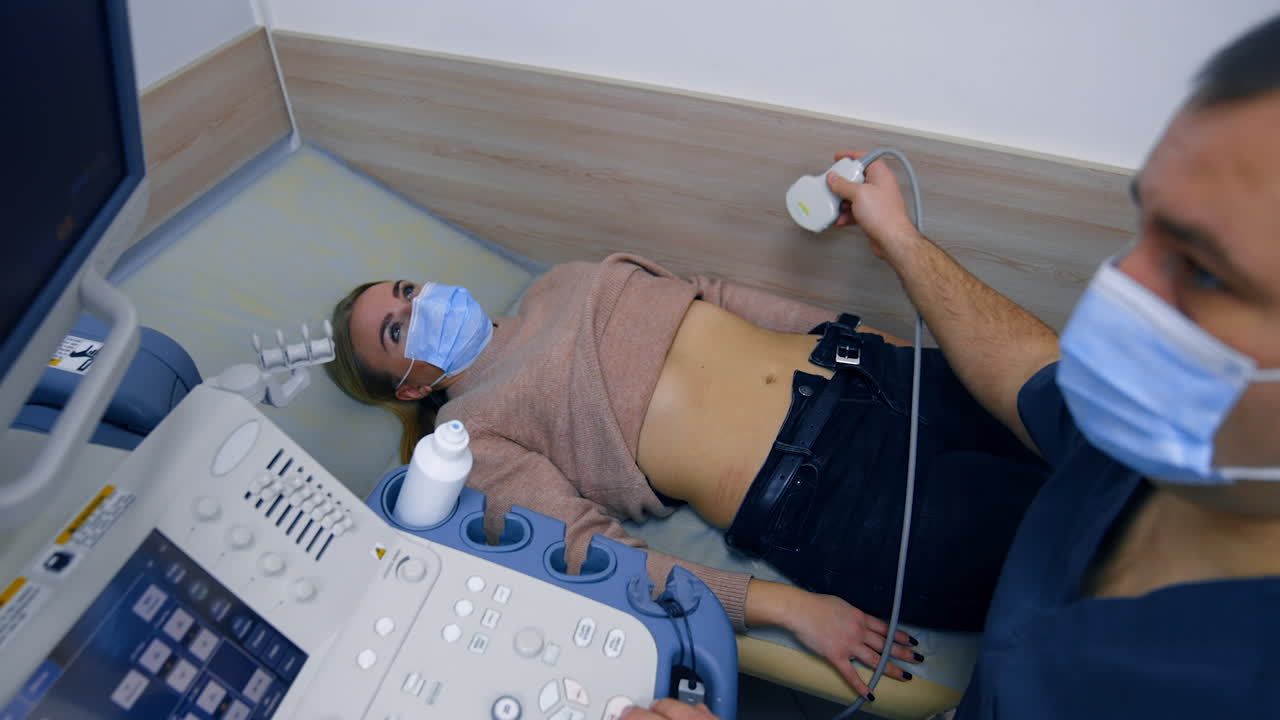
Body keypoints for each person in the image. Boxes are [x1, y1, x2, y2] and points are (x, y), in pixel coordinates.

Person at [624, 12, 1280, 720]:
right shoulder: (1151, 440)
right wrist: (902, 243)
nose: (1119, 288)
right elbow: (1032, 373)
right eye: (1145, 227)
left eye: (1207, 273)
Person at [327, 255, 1049, 698]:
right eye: (398, 330)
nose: (421, 309)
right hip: (835, 493)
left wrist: (859, 332)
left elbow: (712, 293)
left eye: (407, 290)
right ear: (411, 390)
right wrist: (786, 607)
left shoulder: (562, 282)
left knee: (1101, 446)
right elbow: (596, 561)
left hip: (877, 373)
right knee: (1084, 543)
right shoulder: (476, 437)